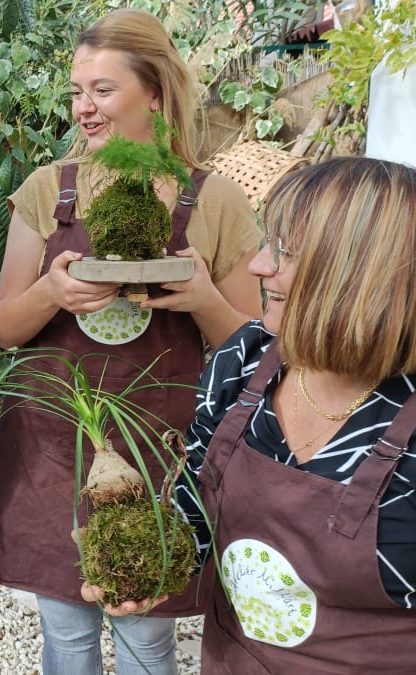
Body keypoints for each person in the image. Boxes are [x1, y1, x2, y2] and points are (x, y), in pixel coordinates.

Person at [0, 8, 263, 675]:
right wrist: (50, 292)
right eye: (77, 91)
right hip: (59, 448)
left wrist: (202, 300)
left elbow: (253, 348)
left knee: (148, 639)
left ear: (154, 93)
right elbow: (6, 327)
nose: (83, 107)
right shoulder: (50, 189)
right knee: (68, 637)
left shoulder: (215, 201)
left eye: (101, 90)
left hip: (166, 445)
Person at [89, 156, 416, 673]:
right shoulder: (247, 360)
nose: (259, 266)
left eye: (284, 252)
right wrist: (147, 560)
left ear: (361, 275)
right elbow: (194, 498)